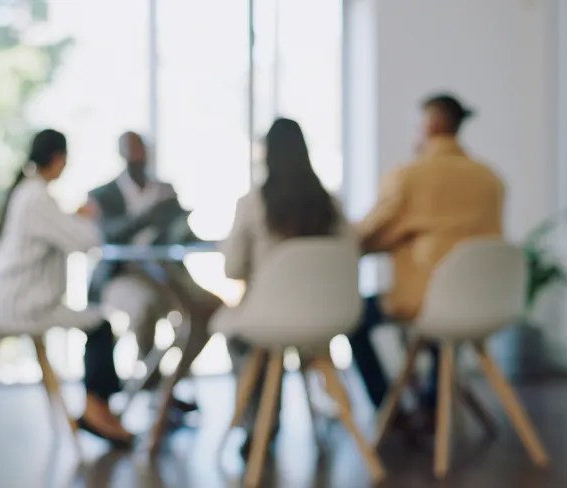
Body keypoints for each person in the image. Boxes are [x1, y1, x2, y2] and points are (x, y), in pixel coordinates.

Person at [352, 93, 505, 413]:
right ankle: (433, 400)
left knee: (354, 318)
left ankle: (389, 410)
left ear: (431, 125)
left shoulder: (411, 176)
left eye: (416, 126)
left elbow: (369, 232)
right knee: (443, 304)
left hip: (426, 301)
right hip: (484, 299)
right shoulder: (490, 179)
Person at [0, 129, 133, 447]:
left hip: (9, 301)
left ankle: (100, 409)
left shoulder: (27, 193)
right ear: (58, 159)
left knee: (98, 323)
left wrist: (69, 216)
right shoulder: (38, 197)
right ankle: (96, 410)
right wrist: (88, 218)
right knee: (100, 325)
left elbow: (52, 229)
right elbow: (86, 241)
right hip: (25, 306)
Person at [216, 118, 350, 456]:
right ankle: (328, 413)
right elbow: (352, 254)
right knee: (261, 335)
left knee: (240, 338)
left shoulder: (253, 204)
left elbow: (232, 268)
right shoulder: (332, 204)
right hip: (326, 320)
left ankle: (258, 421)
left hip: (269, 320)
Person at [88, 131, 221, 415]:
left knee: (209, 308)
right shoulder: (103, 194)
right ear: (121, 154)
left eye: (141, 150)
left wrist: (186, 224)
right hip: (123, 275)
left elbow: (181, 235)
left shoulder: (165, 190)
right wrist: (149, 215)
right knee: (143, 308)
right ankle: (150, 383)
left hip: (166, 272)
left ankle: (169, 384)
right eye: (131, 151)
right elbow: (108, 235)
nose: (138, 157)